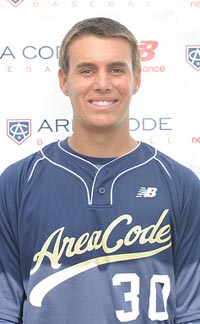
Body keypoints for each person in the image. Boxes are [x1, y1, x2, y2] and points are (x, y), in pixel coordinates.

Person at [0, 16, 200, 324]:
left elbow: (192, 311)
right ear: (64, 81)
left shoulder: (181, 183)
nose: (103, 84)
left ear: (137, 79)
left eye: (117, 69)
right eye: (86, 70)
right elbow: (4, 309)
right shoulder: (17, 183)